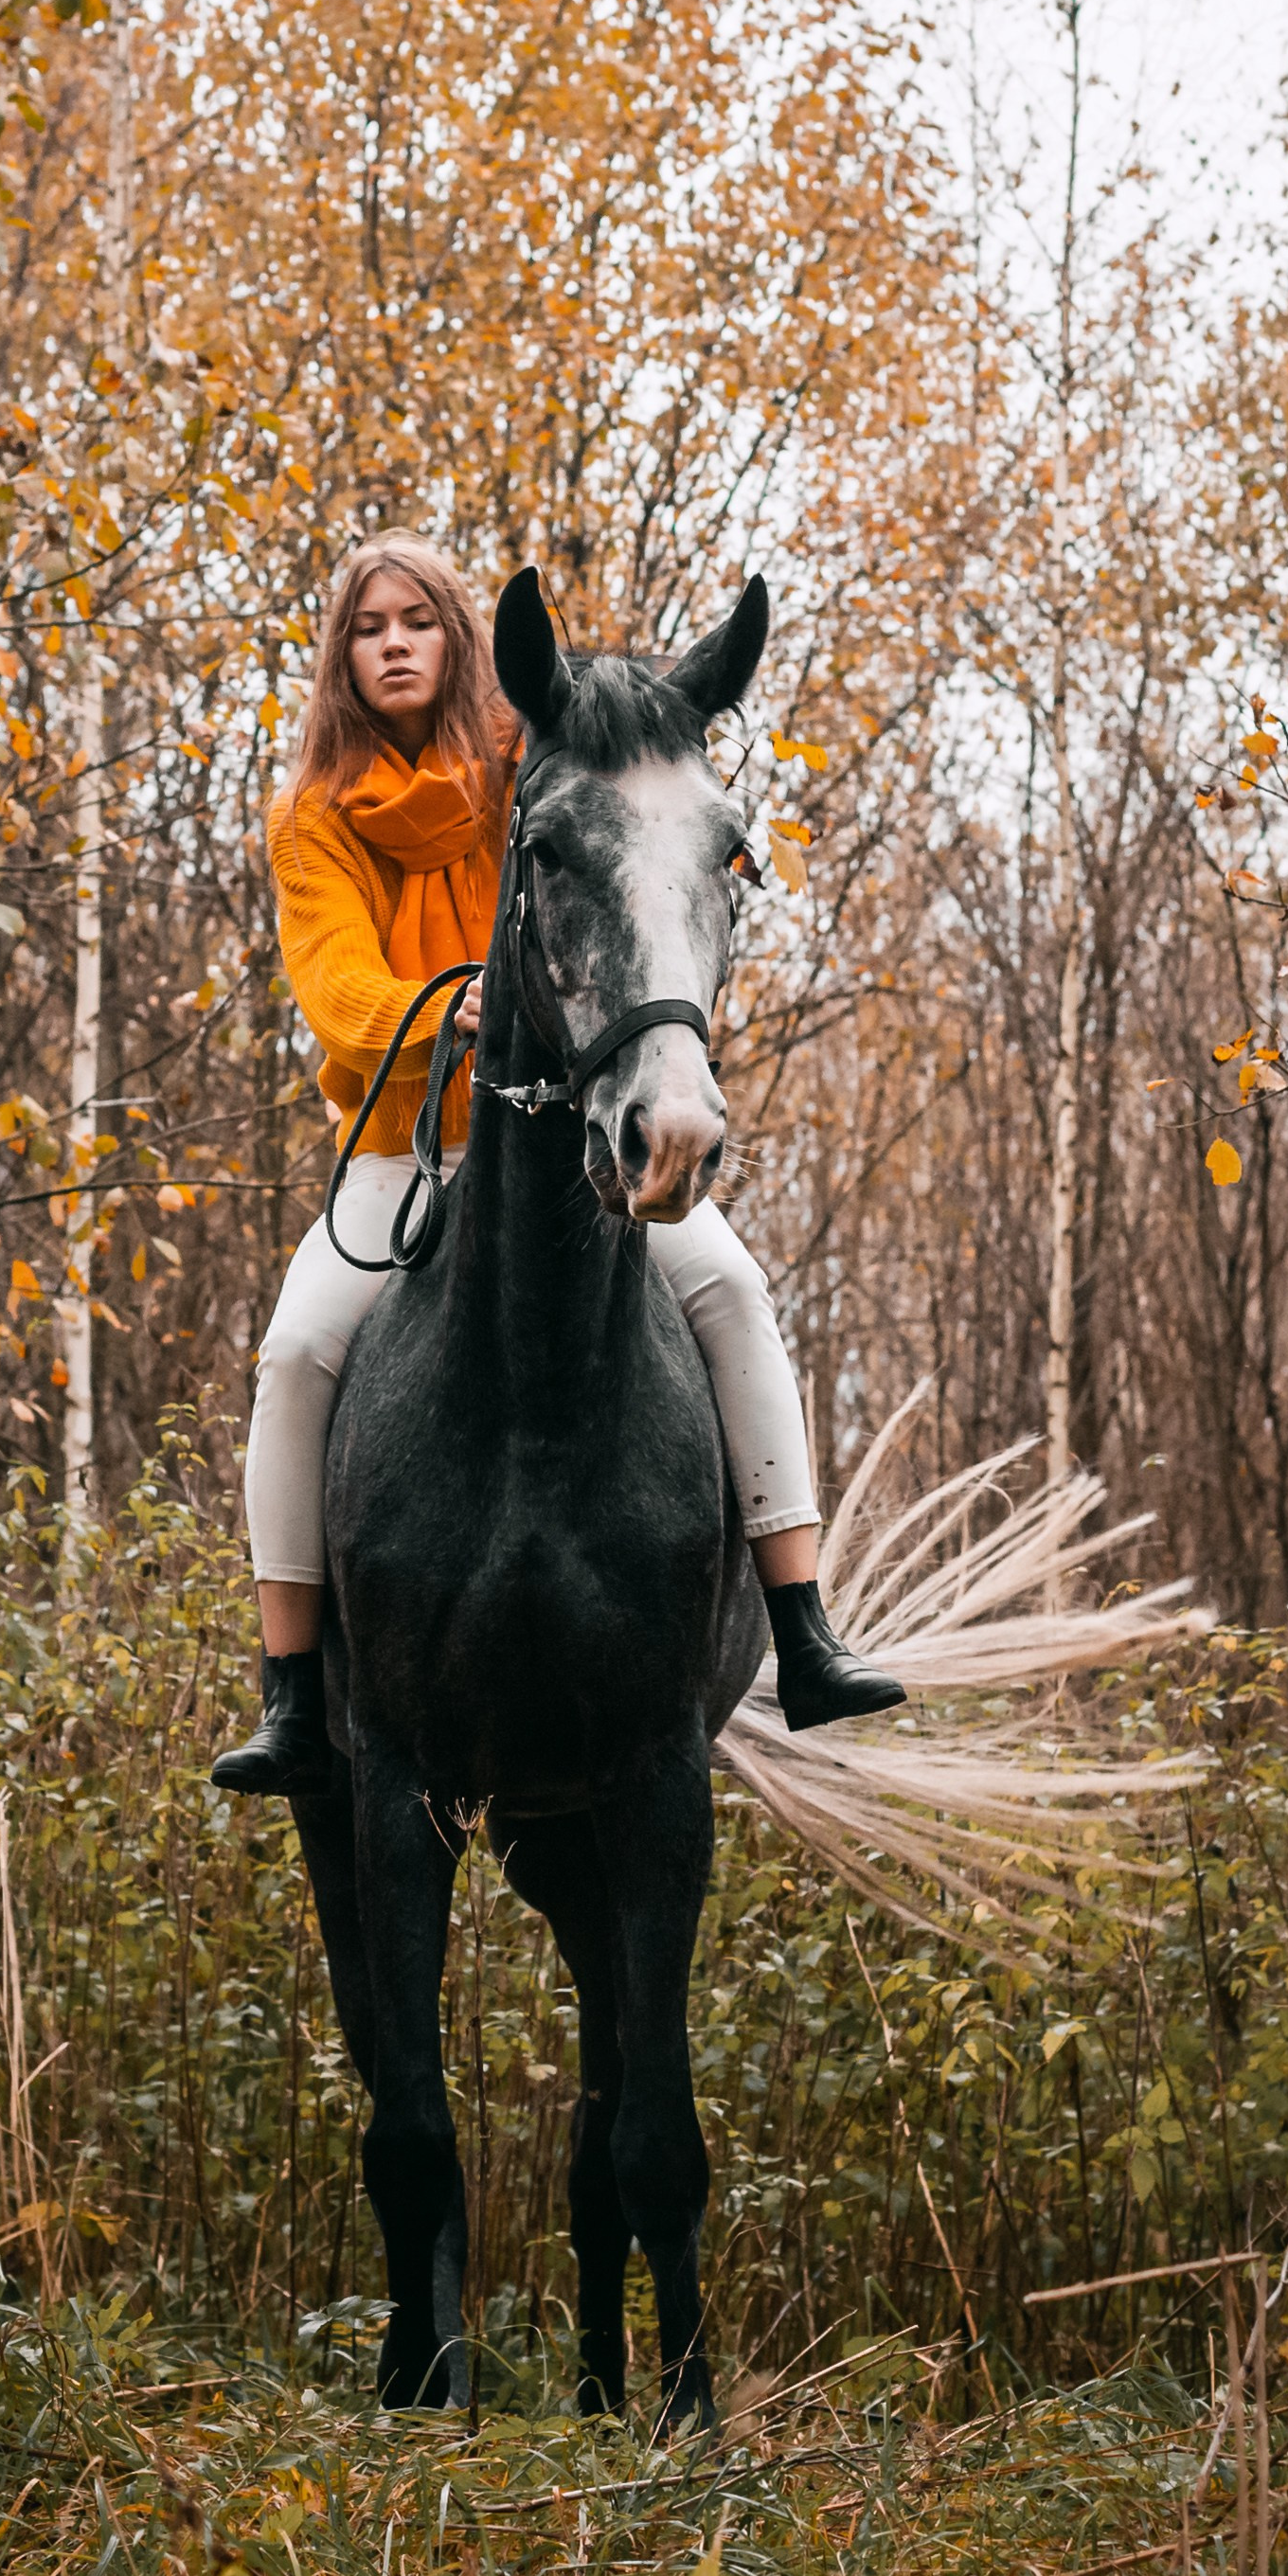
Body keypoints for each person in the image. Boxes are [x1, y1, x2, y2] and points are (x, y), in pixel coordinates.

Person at [210, 530, 902, 1795]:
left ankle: (802, 1626)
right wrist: (443, 1006)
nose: (395, 644)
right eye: (368, 627)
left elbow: (620, 861)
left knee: (733, 1291)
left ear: (459, 636)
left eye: (418, 619)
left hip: (554, 1134)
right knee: (297, 1352)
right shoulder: (312, 818)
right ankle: (294, 1690)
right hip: (408, 1149)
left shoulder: (524, 763)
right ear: (342, 657)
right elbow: (334, 985)